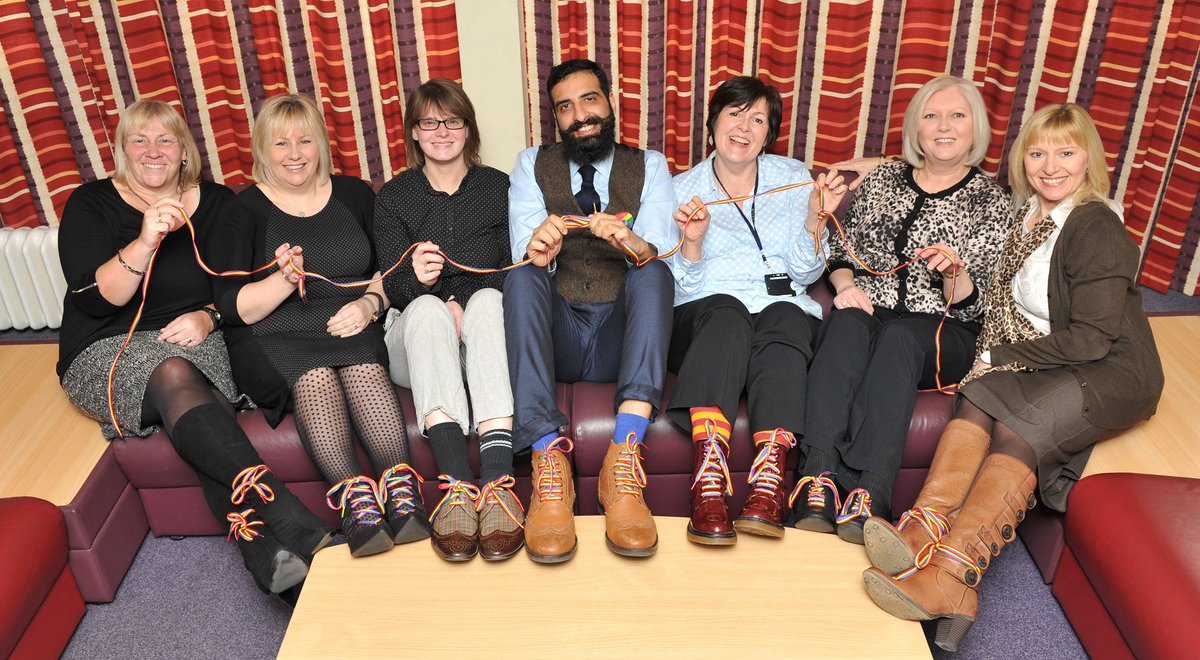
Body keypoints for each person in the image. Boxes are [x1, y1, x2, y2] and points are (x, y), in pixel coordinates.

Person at [861, 103, 1163, 652]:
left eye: (1066, 152)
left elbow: (1094, 339)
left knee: (1021, 424)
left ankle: (954, 575)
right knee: (977, 396)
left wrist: (1000, 355)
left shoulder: (1094, 224)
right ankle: (926, 526)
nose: (1051, 166)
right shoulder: (1029, 217)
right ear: (1022, 159)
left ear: (1088, 159)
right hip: (1057, 354)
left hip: (1109, 369)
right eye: (1038, 152)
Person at [57, 99, 332, 596]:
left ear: (184, 150)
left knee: (195, 400)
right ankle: (284, 513)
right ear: (122, 150)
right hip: (107, 346)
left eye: (165, 140)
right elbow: (100, 301)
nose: (152, 151)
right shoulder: (90, 203)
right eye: (139, 140)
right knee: (173, 376)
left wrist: (207, 317)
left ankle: (267, 556)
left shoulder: (219, 203)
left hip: (199, 339)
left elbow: (229, 291)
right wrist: (143, 242)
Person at [789, 76, 1011, 544]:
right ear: (916, 127)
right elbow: (842, 251)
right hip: (875, 309)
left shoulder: (992, 201)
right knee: (846, 322)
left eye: (957, 116)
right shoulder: (886, 180)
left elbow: (984, 301)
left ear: (976, 129)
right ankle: (816, 479)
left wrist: (954, 273)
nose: (943, 126)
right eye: (931, 116)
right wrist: (846, 287)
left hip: (946, 329)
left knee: (897, 339)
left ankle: (872, 490)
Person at [210, 94, 430, 558]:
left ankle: (402, 496)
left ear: (321, 144)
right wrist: (283, 279)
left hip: (352, 323)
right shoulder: (242, 209)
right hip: (276, 335)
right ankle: (356, 501)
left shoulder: (354, 194)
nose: (295, 154)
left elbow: (390, 269)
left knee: (364, 368)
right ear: (261, 149)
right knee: (314, 377)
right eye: (281, 143)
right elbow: (233, 307)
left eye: (305, 140)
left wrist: (370, 304)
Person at [506, 58, 678, 562]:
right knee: (519, 274)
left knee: (652, 269)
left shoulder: (651, 164)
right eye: (565, 107)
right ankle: (547, 466)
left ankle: (623, 463)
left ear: (609, 102)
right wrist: (539, 245)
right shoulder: (529, 164)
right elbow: (523, 244)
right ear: (555, 120)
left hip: (618, 340)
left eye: (589, 100)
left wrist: (631, 240)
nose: (580, 115)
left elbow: (663, 249)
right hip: (559, 332)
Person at [666, 76, 846, 545]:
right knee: (726, 312)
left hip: (775, 307)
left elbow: (806, 276)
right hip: (707, 315)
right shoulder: (679, 189)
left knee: (789, 313)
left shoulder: (791, 178)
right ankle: (708, 479)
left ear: (769, 134)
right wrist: (693, 242)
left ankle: (769, 481)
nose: (743, 127)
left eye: (758, 119)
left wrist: (814, 218)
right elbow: (679, 286)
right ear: (712, 124)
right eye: (733, 114)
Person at [374, 79, 521, 563]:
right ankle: (457, 484)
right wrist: (418, 283)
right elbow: (390, 291)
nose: (442, 131)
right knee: (425, 308)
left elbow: (517, 269)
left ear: (468, 128)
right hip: (417, 342)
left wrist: (462, 298)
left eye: (452, 120)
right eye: (429, 122)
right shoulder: (394, 196)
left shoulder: (499, 186)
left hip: (484, 336)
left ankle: (497, 482)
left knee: (487, 301)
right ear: (414, 133)